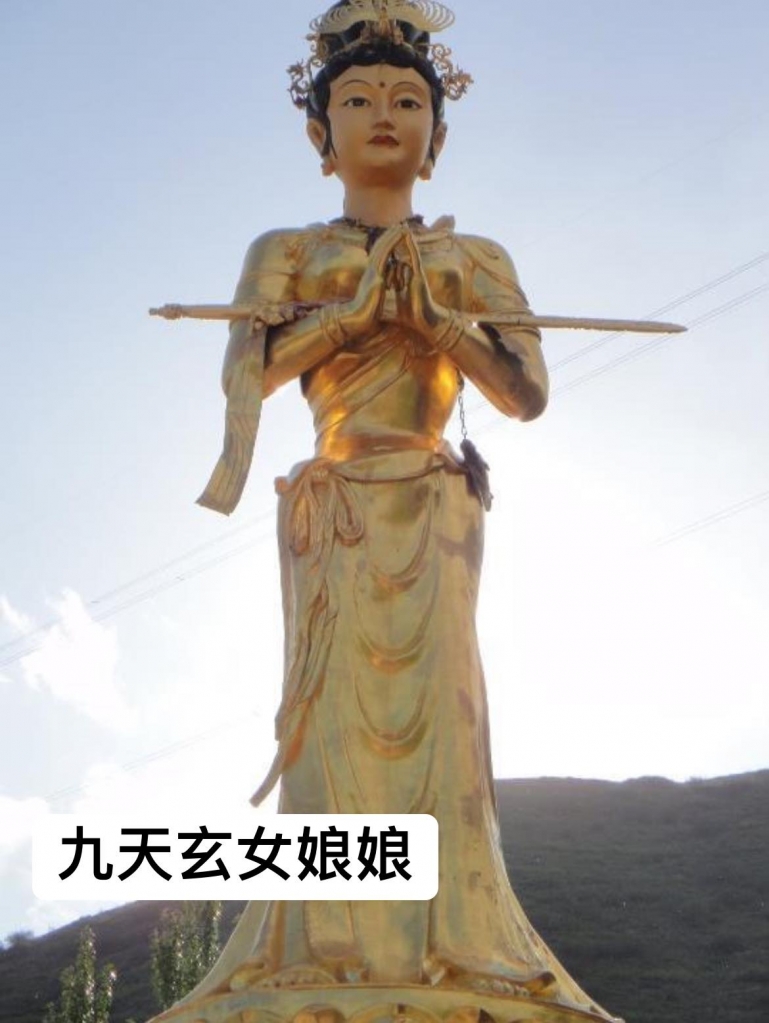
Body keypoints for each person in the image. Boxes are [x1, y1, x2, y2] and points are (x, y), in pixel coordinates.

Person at [159, 3, 616, 1021]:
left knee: (447, 721)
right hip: (334, 507)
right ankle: (325, 948)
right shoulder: (285, 248)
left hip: (434, 496)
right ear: (319, 133)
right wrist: (352, 317)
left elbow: (525, 393)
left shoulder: (474, 255)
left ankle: (457, 939)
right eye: (359, 99)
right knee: (326, 728)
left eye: (407, 101)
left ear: (435, 137)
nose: (383, 115)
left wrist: (439, 323)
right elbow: (247, 377)